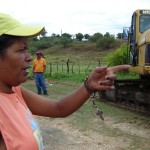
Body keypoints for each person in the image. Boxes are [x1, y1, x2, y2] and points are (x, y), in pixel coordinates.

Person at [0, 12, 131, 150]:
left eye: (28, 49)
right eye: (21, 49)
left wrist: (89, 85)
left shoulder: (15, 91)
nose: (30, 57)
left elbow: (58, 108)